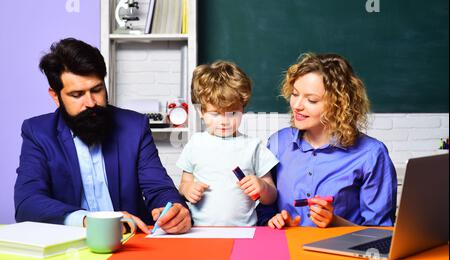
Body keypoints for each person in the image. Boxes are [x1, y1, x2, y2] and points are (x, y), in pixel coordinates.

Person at [14, 38, 191, 234]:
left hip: (132, 244)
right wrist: (89, 220)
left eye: (97, 90)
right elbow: (27, 203)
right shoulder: (38, 132)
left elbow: (159, 188)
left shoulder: (134, 127)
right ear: (55, 96)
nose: (91, 103)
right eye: (77, 94)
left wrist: (176, 209)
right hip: (71, 248)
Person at [266, 53, 397, 229]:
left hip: (342, 255)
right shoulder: (278, 143)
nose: (297, 105)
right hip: (286, 250)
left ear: (339, 105)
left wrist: (335, 222)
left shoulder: (371, 154)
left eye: (311, 100)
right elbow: (265, 209)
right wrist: (276, 221)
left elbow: (381, 233)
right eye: (295, 94)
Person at [176, 60, 279, 226]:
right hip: (200, 232)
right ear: (201, 112)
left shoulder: (254, 146)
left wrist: (262, 187)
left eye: (232, 113)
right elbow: (184, 183)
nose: (224, 121)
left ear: (242, 109)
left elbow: (272, 196)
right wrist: (188, 189)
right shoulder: (195, 143)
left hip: (245, 232)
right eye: (215, 114)